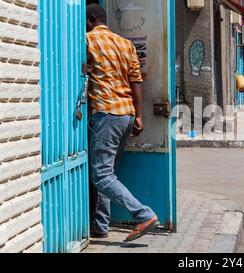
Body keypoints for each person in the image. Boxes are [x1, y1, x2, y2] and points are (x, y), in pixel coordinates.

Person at [86, 4, 159, 242]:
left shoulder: (87, 41)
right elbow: (135, 81)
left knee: (101, 175)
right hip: (126, 114)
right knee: (110, 173)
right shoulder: (125, 43)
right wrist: (138, 115)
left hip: (106, 114)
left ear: (91, 20)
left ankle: (143, 214)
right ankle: (100, 225)